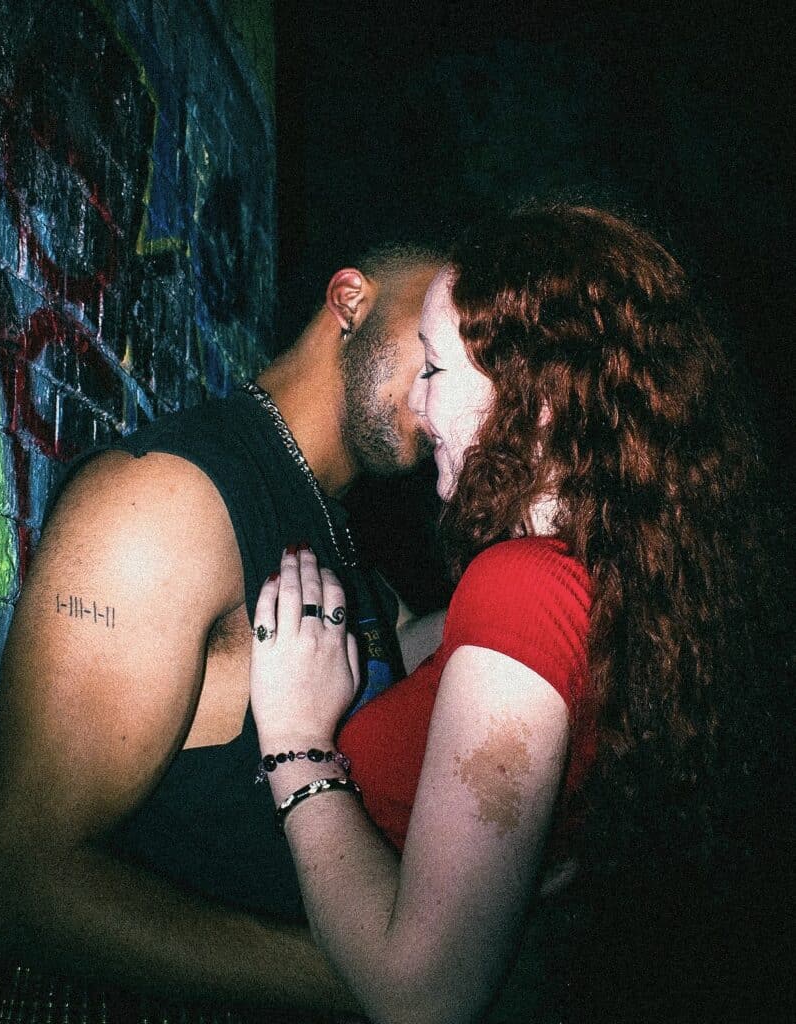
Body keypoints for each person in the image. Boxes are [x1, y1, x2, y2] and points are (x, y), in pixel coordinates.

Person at [247, 203, 786, 1024]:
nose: (418, 409)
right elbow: (428, 644)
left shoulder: (524, 586)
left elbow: (424, 996)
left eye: (433, 370)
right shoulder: (609, 576)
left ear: (530, 391)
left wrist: (295, 744)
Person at [0, 242, 448, 1020]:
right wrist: (378, 979)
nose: (446, 391)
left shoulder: (345, 547)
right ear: (350, 299)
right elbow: (19, 886)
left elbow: (435, 647)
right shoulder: (166, 499)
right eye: (436, 341)